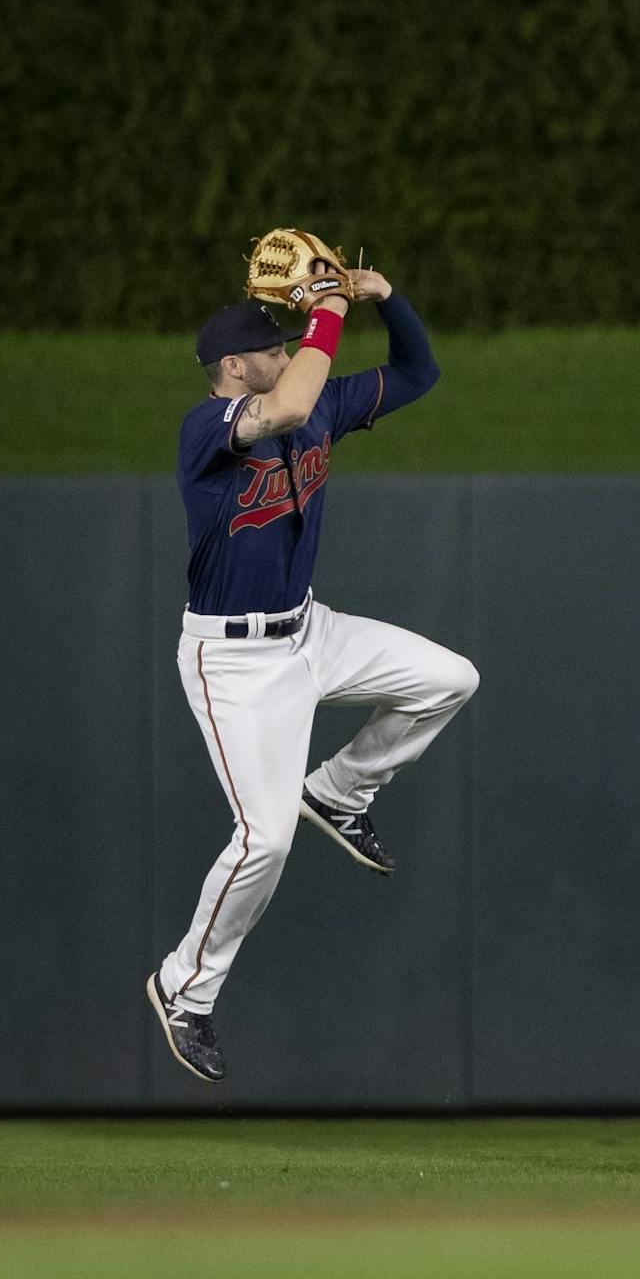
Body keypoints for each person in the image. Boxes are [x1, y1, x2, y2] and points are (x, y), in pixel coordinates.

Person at [146, 261, 478, 1082]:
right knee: (262, 840)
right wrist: (330, 309)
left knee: (450, 678)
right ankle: (183, 987)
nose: (287, 352)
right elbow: (289, 401)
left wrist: (388, 298)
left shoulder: (320, 401)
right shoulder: (209, 424)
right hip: (232, 659)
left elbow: (419, 373)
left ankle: (339, 790)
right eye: (271, 347)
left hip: (309, 630)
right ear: (234, 367)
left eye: (290, 341)